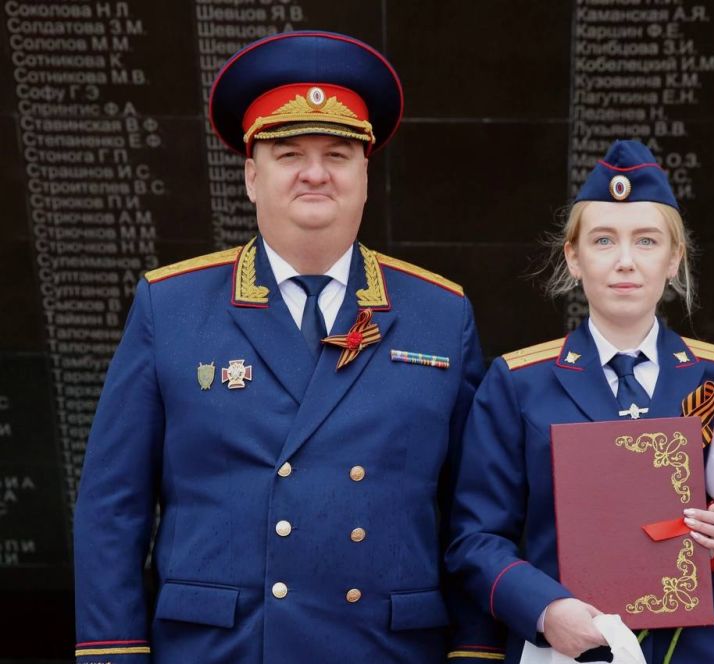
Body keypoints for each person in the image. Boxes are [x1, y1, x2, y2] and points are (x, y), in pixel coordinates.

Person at [73, 31, 501, 663]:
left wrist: (476, 652)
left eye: (338, 154)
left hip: (384, 649)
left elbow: (475, 513)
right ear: (252, 175)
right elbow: (113, 508)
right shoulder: (172, 306)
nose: (315, 173)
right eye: (289, 152)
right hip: (222, 649)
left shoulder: (440, 314)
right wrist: (114, 654)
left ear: (365, 174)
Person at [446, 140, 714, 663]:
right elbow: (476, 538)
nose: (625, 261)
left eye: (647, 241)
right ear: (574, 256)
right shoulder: (518, 383)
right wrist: (544, 610)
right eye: (603, 240)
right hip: (564, 650)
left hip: (694, 649)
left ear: (674, 258)